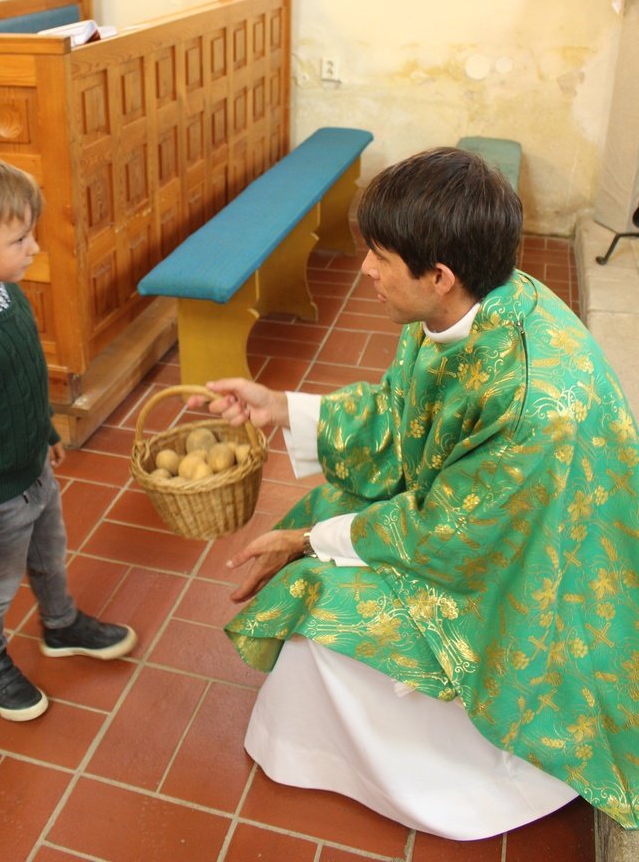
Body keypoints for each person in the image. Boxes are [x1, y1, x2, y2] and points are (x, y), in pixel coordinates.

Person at [191, 146, 639, 839]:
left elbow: (447, 540)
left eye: (379, 257)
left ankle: (426, 774)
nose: (365, 271)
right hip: (482, 523)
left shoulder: (531, 404)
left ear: (439, 275)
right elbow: (402, 414)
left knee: (317, 585)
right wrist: (279, 407)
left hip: (535, 584)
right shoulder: (473, 306)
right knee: (330, 511)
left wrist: (307, 544)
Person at [0, 152, 136, 722]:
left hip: (33, 470)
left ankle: (60, 625)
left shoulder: (5, 292)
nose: (33, 248)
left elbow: (24, 375)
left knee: (50, 556)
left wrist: (44, 429)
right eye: (19, 240)